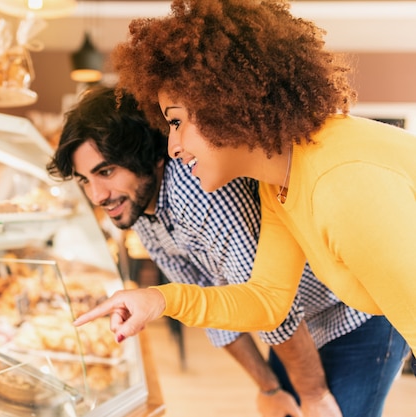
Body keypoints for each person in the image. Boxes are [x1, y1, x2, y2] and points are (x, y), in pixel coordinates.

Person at [71, 0, 416, 381]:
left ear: (224, 102)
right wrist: (158, 299)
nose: (171, 148)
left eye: (176, 121)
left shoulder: (341, 186)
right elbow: (266, 299)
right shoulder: (280, 181)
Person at [47, 86, 409, 417]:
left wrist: (311, 393)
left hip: (356, 317)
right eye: (84, 181)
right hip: (300, 316)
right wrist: (158, 299)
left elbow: (275, 313)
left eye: (105, 172)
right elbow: (264, 301)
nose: (96, 196)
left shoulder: (205, 186)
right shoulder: (147, 209)